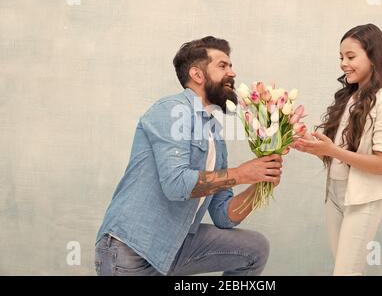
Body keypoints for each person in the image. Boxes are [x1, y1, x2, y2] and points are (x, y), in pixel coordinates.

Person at [94, 36, 283, 276]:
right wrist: (242, 173)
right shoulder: (172, 110)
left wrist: (260, 183)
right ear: (197, 74)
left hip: (174, 247)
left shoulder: (215, 135)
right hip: (131, 251)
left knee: (254, 249)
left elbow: (224, 215)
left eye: (231, 66)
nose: (232, 73)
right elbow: (175, 184)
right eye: (223, 66)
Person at [292, 24, 382, 275]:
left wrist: (332, 151)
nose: (343, 63)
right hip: (334, 197)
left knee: (345, 273)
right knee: (347, 271)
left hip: (362, 202)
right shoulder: (349, 98)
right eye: (341, 57)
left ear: (373, 57)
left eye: (351, 57)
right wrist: (310, 145)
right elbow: (336, 155)